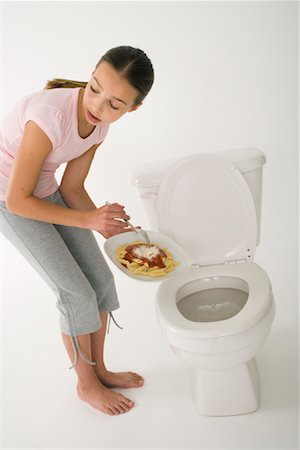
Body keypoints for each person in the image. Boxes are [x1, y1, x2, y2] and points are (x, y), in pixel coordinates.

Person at [0, 46, 154, 416]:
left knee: (101, 282)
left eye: (116, 104)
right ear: (91, 73)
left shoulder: (100, 126)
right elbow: (18, 200)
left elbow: (71, 188)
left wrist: (113, 231)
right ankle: (86, 385)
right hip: (9, 198)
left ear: (133, 109)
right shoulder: (48, 116)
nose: (99, 106)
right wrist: (88, 220)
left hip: (44, 191)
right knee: (75, 293)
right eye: (95, 88)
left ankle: (99, 370)